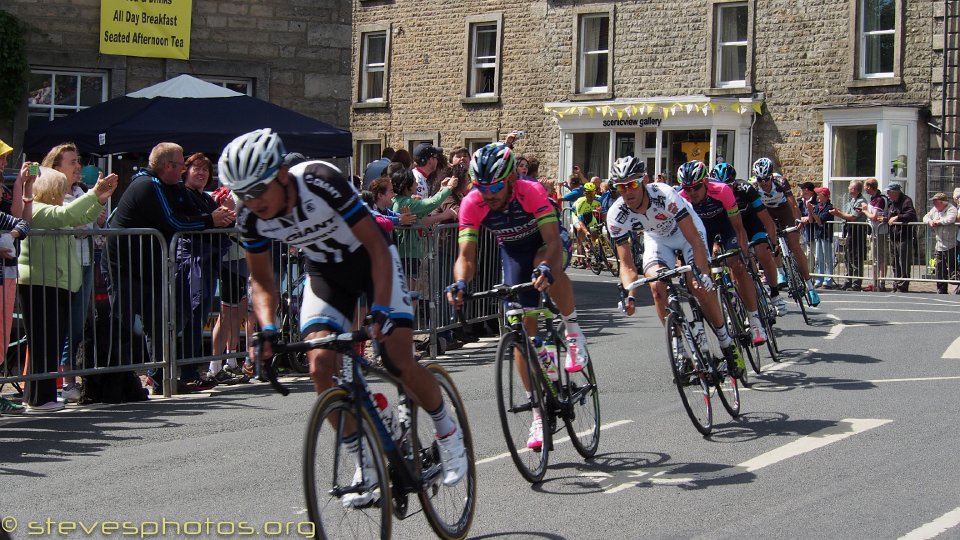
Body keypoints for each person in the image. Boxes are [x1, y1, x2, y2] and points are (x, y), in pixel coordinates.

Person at [219, 128, 467, 503]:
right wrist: (267, 328)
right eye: (242, 195)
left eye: (257, 190)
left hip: (373, 262)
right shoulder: (251, 218)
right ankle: (365, 462)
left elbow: (376, 249)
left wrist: (381, 309)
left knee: (396, 359)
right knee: (320, 367)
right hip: (326, 274)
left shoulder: (320, 181)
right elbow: (262, 281)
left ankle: (448, 433)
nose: (251, 202)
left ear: (281, 176)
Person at [447, 142, 588, 450]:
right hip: (512, 253)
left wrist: (548, 268)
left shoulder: (531, 191)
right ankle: (539, 413)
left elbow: (552, 242)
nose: (489, 194)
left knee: (543, 265)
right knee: (522, 333)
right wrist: (459, 282)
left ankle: (574, 331)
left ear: (511, 178)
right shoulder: (474, 203)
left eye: (495, 186)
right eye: (481, 187)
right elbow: (466, 257)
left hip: (545, 244)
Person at [106, 143, 235, 395]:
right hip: (125, 264)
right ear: (169, 166)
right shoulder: (148, 185)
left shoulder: (173, 187)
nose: (184, 170)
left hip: (150, 264)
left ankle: (158, 377)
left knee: (157, 322)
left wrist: (218, 214)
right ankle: (114, 380)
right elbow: (173, 221)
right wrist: (210, 220)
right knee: (122, 322)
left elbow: (192, 211)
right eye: (182, 165)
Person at [605, 157, 745, 377]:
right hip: (657, 239)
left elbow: (695, 241)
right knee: (657, 288)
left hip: (686, 233)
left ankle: (727, 343)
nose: (627, 192)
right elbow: (627, 264)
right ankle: (681, 352)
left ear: (644, 181)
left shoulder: (664, 195)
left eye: (632, 184)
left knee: (698, 286)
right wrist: (629, 294)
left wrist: (702, 273)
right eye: (620, 187)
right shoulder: (616, 215)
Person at [19, 167, 116, 411]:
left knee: (50, 342)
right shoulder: (39, 209)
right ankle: (41, 398)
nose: (65, 192)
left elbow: (77, 218)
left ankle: (40, 395)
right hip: (41, 282)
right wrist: (94, 193)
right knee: (44, 343)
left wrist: (99, 200)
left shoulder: (49, 209)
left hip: (56, 282)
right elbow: (66, 215)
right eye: (61, 188)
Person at [678, 160, 766, 345]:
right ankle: (719, 322)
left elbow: (739, 228)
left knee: (737, 265)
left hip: (727, 226)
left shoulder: (722, 190)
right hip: (702, 232)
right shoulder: (681, 197)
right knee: (700, 277)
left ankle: (755, 319)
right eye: (687, 188)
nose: (691, 193)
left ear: (705, 183)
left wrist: (742, 251)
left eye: (695, 187)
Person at [41, 143, 102, 403]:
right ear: (56, 167)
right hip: (60, 266)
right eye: (72, 162)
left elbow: (94, 224)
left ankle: (70, 381)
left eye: (78, 161)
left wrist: (100, 201)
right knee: (59, 325)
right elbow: (73, 223)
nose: (78, 167)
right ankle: (55, 383)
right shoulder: (48, 194)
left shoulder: (81, 191)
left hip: (85, 261)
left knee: (77, 324)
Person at [711, 162, 787, 316]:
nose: (726, 188)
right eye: (722, 185)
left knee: (763, 254)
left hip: (751, 223)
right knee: (736, 261)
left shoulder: (745, 189)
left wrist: (773, 244)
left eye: (729, 185)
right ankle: (742, 296)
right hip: (731, 228)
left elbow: (766, 220)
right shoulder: (713, 195)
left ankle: (774, 293)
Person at [750, 158, 820, 306]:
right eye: (759, 179)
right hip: (768, 212)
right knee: (772, 243)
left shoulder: (780, 182)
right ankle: (781, 272)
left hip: (784, 211)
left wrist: (798, 220)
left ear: (771, 176)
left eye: (766, 179)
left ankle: (810, 286)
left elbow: (793, 204)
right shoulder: (754, 186)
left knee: (794, 245)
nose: (763, 182)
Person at [0, 140, 35, 414]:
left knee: (1, 336)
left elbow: (22, 221)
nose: (4, 163)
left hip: (6, 272)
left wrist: (25, 186)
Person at [828, 180, 868, 290]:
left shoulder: (861, 201)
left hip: (857, 231)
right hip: (849, 231)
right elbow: (847, 214)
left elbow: (853, 217)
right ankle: (848, 280)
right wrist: (839, 212)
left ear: (854, 189)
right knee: (848, 257)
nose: (848, 188)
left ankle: (856, 283)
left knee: (856, 257)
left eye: (850, 187)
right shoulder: (851, 200)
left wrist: (838, 214)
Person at [885, 182, 917, 293]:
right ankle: (896, 283)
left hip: (904, 236)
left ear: (895, 192)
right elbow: (890, 216)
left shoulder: (907, 200)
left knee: (904, 262)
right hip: (893, 236)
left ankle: (903, 285)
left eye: (889, 192)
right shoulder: (891, 203)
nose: (888, 194)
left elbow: (912, 215)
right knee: (894, 262)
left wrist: (898, 217)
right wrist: (885, 219)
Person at [923, 193, 958, 294]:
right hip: (939, 244)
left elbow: (950, 219)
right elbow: (925, 217)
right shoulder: (934, 210)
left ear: (943, 202)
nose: (934, 204)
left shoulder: (951, 209)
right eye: (933, 202)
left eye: (936, 202)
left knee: (953, 269)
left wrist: (938, 222)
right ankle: (941, 289)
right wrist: (930, 221)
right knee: (939, 268)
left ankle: (957, 288)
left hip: (951, 244)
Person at [861, 178, 890, 291]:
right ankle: (875, 281)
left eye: (865, 186)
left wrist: (864, 210)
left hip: (880, 232)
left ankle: (881, 282)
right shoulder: (873, 199)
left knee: (881, 257)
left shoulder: (880, 199)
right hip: (873, 231)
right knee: (875, 257)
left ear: (869, 186)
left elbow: (874, 216)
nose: (864, 189)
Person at [808, 187, 836, 289]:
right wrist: (810, 211)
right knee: (819, 258)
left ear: (824, 196)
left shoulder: (829, 207)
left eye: (819, 194)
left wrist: (813, 212)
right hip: (819, 234)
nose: (817, 197)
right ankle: (819, 279)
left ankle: (828, 280)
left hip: (826, 235)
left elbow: (820, 221)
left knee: (827, 258)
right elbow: (811, 221)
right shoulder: (818, 206)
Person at [572, 182, 601, 263]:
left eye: (593, 192)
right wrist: (587, 232)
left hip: (589, 215)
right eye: (589, 193)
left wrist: (602, 209)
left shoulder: (598, 199)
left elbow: (606, 208)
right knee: (581, 232)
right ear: (585, 193)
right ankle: (581, 260)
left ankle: (594, 252)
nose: (591, 195)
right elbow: (580, 221)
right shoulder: (580, 203)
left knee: (595, 235)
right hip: (577, 216)